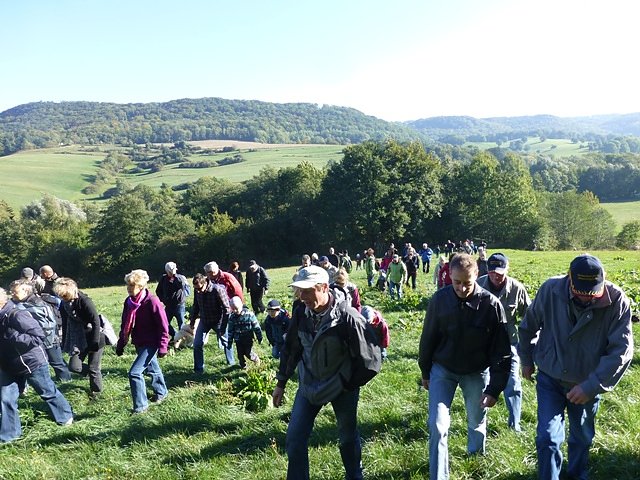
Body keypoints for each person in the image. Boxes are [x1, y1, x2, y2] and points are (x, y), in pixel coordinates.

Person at [518, 254, 633, 480]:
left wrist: (591, 386)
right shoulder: (550, 290)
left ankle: (577, 475)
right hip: (550, 378)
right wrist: (527, 359)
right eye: (581, 291)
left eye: (592, 292)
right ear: (569, 279)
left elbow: (621, 351)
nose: (586, 297)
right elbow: (528, 326)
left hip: (586, 380)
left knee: (582, 438)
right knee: (547, 438)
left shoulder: (617, 300)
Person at [272, 265, 377, 479]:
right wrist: (281, 383)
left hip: (341, 387)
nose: (302, 297)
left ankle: (354, 476)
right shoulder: (301, 312)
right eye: (300, 291)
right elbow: (291, 348)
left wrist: (346, 383)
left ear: (324, 288)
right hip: (309, 385)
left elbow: (371, 361)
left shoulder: (348, 317)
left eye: (307, 291)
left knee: (347, 437)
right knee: (294, 438)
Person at [418, 253, 511, 480]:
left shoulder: (491, 305)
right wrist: (425, 370)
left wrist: (494, 389)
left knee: (476, 422)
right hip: (443, 369)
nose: (461, 288)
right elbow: (428, 337)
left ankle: (475, 464)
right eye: (456, 282)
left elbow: (501, 351)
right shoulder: (439, 300)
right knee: (437, 425)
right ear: (449, 275)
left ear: (477, 275)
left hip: (476, 372)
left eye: (467, 283)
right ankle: (439, 476)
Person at [0, 288, 73, 443]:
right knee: (6, 399)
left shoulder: (17, 314)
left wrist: (13, 337)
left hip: (31, 363)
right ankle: (10, 435)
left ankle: (65, 416)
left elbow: (38, 336)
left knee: (47, 391)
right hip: (8, 365)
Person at [477, 253, 531, 431]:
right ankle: (479, 423)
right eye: (492, 272)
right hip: (482, 343)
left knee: (512, 383)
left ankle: (514, 425)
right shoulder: (477, 285)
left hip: (509, 343)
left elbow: (530, 317)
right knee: (480, 383)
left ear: (507, 269)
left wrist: (529, 344)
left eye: (500, 272)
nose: (496, 276)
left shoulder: (517, 288)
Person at [116, 269, 170, 414]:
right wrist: (121, 344)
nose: (128, 288)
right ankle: (162, 392)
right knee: (152, 368)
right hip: (139, 341)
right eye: (127, 285)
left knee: (134, 373)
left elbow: (163, 325)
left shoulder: (152, 301)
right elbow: (124, 324)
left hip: (151, 342)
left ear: (140, 286)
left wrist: (163, 346)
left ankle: (140, 407)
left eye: (132, 285)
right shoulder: (129, 302)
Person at [10, 280, 71, 383]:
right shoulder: (17, 303)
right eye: (11, 291)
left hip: (48, 339)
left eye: (15, 292)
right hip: (35, 340)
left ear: (25, 291)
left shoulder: (37, 304)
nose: (12, 294)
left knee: (57, 363)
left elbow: (47, 324)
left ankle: (66, 381)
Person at [54, 277, 105, 398]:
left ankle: (96, 393)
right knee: (74, 367)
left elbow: (96, 321)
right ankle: (95, 375)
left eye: (64, 295)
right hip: (78, 339)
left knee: (93, 367)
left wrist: (94, 343)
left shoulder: (85, 301)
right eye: (61, 296)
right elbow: (64, 321)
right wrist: (64, 340)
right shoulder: (64, 304)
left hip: (94, 337)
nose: (63, 298)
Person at [190, 273, 235, 371]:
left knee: (226, 342)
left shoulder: (217, 290)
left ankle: (231, 364)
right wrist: (192, 321)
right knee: (197, 344)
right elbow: (196, 306)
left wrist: (223, 326)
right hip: (204, 321)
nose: (198, 291)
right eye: (196, 289)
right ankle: (198, 369)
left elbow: (227, 309)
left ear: (205, 283)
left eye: (199, 288)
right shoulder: (197, 291)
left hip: (218, 321)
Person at [155, 261, 190, 340]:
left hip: (179, 305)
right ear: (167, 271)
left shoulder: (181, 278)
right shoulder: (163, 279)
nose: (172, 273)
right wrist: (163, 300)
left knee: (181, 324)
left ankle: (182, 341)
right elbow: (158, 291)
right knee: (164, 323)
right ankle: (175, 335)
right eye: (170, 271)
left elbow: (186, 289)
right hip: (168, 306)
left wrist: (182, 297)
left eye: (173, 271)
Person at [227, 296, 263, 369]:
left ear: (241, 305)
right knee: (240, 354)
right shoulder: (232, 317)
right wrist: (229, 341)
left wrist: (259, 337)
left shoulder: (249, 314)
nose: (235, 311)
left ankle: (256, 359)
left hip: (248, 338)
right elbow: (230, 330)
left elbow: (256, 327)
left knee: (248, 352)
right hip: (238, 339)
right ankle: (243, 366)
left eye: (236, 308)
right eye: (233, 309)